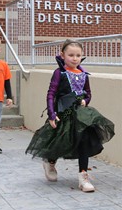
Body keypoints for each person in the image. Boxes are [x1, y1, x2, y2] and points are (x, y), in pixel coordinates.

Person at [26, 39, 115, 192]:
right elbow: (51, 93)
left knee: (84, 141)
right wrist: (52, 114)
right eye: (71, 55)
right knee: (61, 142)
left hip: (82, 116)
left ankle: (83, 176)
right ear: (63, 55)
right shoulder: (59, 73)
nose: (75, 58)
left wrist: (86, 101)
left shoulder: (84, 74)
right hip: (63, 113)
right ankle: (50, 161)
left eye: (78, 55)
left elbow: (88, 93)